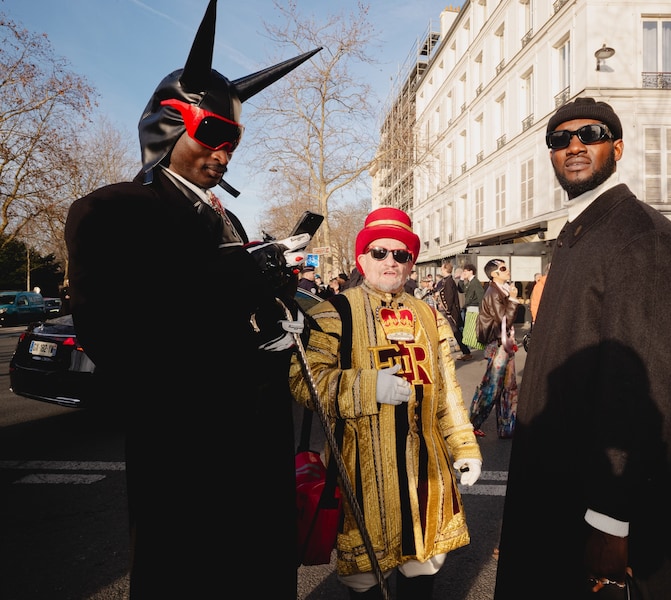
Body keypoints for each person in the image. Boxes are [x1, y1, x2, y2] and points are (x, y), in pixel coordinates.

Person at [63, 3, 319, 598]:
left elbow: (227, 312)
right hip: (186, 465)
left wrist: (281, 321)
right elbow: (121, 336)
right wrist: (244, 280)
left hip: (256, 456)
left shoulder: (225, 219)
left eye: (234, 139)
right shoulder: (111, 211)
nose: (225, 153)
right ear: (166, 124)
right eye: (214, 133)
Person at [495, 98, 671, 599]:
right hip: (558, 494)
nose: (575, 146)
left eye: (591, 134)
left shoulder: (641, 237)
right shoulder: (579, 235)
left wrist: (612, 521)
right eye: (560, 139)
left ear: (618, 147)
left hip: (594, 507)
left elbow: (649, 389)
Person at [290, 206, 483, 599]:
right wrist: (364, 387)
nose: (390, 261)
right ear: (362, 259)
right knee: (365, 583)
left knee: (420, 576)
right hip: (360, 479)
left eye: (401, 254)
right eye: (380, 252)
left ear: (411, 263)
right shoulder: (334, 313)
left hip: (426, 479)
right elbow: (303, 381)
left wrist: (466, 447)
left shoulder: (430, 316)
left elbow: (448, 389)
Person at [469, 258, 520, 438]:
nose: (508, 271)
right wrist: (513, 299)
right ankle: (471, 424)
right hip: (497, 344)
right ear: (494, 274)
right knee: (491, 387)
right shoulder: (493, 292)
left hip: (505, 343)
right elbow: (504, 320)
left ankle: (507, 427)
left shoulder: (501, 289)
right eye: (503, 268)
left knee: (509, 387)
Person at [435, 260, 473, 361]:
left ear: (445, 269)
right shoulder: (446, 280)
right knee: (455, 333)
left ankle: (465, 351)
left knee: (456, 332)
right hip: (449, 311)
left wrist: (447, 310)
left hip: (451, 312)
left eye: (442, 268)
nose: (441, 270)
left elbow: (450, 297)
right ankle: (465, 351)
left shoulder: (449, 281)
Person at [459, 262, 485, 350]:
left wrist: (482, 311)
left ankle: (477, 345)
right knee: (469, 329)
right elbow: (462, 289)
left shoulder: (475, 282)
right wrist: (461, 280)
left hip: (475, 309)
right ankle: (474, 344)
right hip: (470, 308)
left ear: (471, 272)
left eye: (465, 271)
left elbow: (481, 296)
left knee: (472, 329)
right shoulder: (470, 282)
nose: (464, 273)